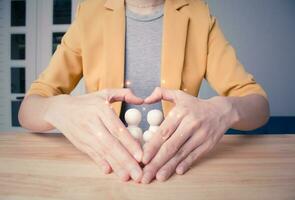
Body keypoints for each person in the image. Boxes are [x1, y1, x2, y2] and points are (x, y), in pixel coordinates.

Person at [19, 0, 270, 184]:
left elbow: (258, 104)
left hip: (179, 174)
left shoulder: (198, 14)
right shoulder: (90, 12)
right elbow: (29, 108)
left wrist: (224, 110)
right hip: (104, 175)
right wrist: (57, 107)